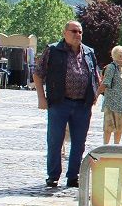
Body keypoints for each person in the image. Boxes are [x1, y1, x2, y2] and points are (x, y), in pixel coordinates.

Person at [34, 20, 100, 189]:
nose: (77, 34)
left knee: (79, 142)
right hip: (59, 102)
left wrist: (95, 93)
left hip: (82, 105)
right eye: (73, 31)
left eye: (80, 32)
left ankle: (73, 176)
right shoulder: (53, 50)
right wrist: (41, 98)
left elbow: (95, 74)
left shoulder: (89, 52)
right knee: (55, 140)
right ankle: (53, 176)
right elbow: (38, 74)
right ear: (64, 33)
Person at [98, 45, 122, 145]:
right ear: (119, 56)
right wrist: (96, 95)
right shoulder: (111, 67)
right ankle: (105, 146)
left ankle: (116, 147)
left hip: (121, 104)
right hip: (111, 103)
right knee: (108, 127)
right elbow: (105, 83)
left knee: (120, 127)